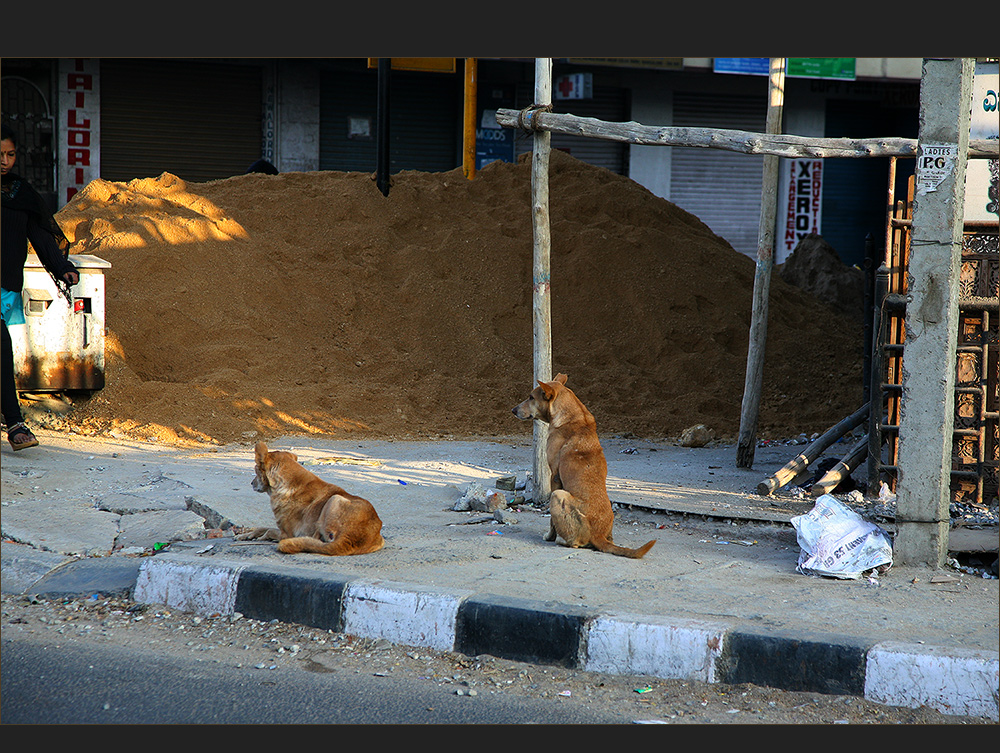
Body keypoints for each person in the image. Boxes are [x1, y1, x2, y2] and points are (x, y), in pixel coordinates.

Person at [1, 123, 79, 451]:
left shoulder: (21, 193)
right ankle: (15, 421)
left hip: (5, 289)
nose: (5, 160)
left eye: (10, 154)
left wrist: (64, 268)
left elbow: (42, 237)